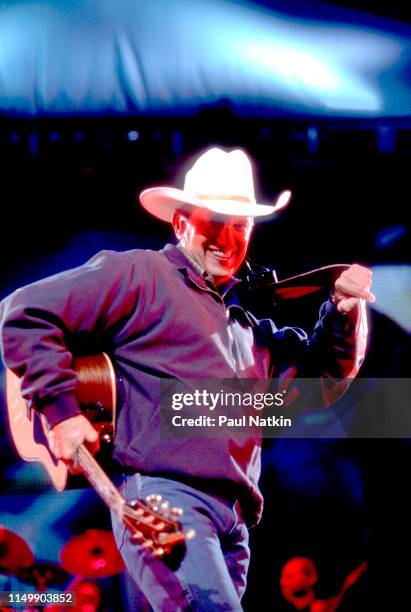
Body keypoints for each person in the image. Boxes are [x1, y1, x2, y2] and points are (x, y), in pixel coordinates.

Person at [0, 147, 374, 611]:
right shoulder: (140, 274)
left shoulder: (246, 319)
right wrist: (60, 410)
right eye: (212, 221)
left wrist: (343, 311)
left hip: (233, 518)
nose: (226, 237)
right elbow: (22, 311)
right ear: (180, 224)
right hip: (166, 496)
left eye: (239, 225)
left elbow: (324, 381)